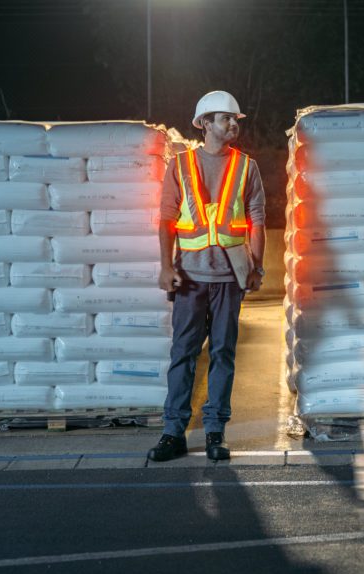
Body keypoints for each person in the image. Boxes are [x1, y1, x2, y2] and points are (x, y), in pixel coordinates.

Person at [148, 90, 266, 462]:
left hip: (230, 279)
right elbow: (167, 218)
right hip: (190, 277)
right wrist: (166, 266)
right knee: (182, 354)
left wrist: (256, 268)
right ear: (205, 124)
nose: (233, 124)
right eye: (226, 118)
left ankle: (215, 431)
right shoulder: (180, 165)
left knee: (222, 354)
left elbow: (258, 221)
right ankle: (173, 432)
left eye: (234, 119)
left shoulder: (247, 166)